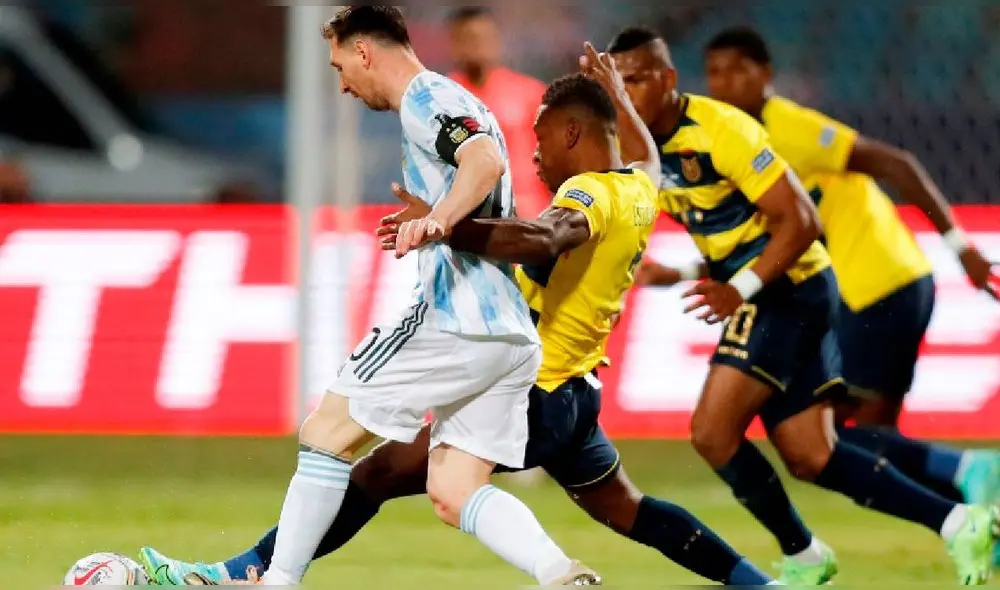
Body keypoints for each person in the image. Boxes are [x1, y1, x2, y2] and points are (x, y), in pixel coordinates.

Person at [139, 53, 779, 588]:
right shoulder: (640, 187)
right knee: (629, 509)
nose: (534, 157)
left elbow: (542, 237)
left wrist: (443, 224)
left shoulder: (589, 193)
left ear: (575, 133)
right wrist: (617, 96)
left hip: (536, 384)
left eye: (543, 138)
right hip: (574, 394)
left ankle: (245, 573)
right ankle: (758, 583)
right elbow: (642, 154)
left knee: (380, 474)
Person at [606, 26, 997, 585]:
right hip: (791, 289)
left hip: (793, 289)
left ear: (669, 79)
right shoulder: (643, 151)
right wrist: (685, 272)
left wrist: (736, 290)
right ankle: (960, 521)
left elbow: (803, 223)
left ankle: (806, 556)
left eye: (638, 80)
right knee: (812, 454)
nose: (628, 94)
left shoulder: (725, 130)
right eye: (618, 85)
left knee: (713, 432)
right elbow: (736, 233)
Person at [244, 7, 594, 586]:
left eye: (339, 66)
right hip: (508, 333)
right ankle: (558, 571)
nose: (342, 84)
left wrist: (440, 221)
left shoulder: (425, 98)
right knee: (454, 489)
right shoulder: (455, 97)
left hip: (456, 317)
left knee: (326, 430)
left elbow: (483, 160)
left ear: (363, 51)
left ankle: (277, 581)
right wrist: (437, 210)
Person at [447, 7, 550, 219]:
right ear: (454, 43)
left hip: (529, 213)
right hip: (468, 218)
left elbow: (554, 155)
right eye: (469, 38)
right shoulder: (441, 99)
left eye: (484, 37)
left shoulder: (530, 93)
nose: (478, 46)